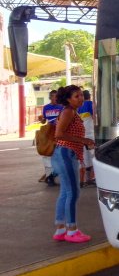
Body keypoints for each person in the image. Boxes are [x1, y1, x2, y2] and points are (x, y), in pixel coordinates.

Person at [51, 85, 95, 243]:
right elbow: (59, 134)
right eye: (77, 96)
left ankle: (61, 228)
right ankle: (72, 230)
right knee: (73, 192)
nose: (81, 98)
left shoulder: (72, 112)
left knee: (65, 192)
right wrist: (84, 140)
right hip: (65, 154)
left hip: (64, 153)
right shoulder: (68, 111)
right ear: (68, 99)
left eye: (81, 95)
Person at [40, 90, 63, 186]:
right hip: (49, 133)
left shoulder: (61, 107)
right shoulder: (46, 108)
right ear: (50, 97)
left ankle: (52, 176)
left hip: (59, 133)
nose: (56, 98)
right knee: (49, 154)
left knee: (60, 155)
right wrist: (42, 119)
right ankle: (50, 177)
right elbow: (44, 121)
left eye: (57, 96)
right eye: (54, 96)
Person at [78, 90, 95, 187]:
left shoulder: (78, 107)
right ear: (89, 97)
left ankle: (82, 181)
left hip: (81, 137)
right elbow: (94, 117)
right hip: (90, 136)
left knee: (83, 158)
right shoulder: (89, 104)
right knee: (92, 157)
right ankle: (89, 179)